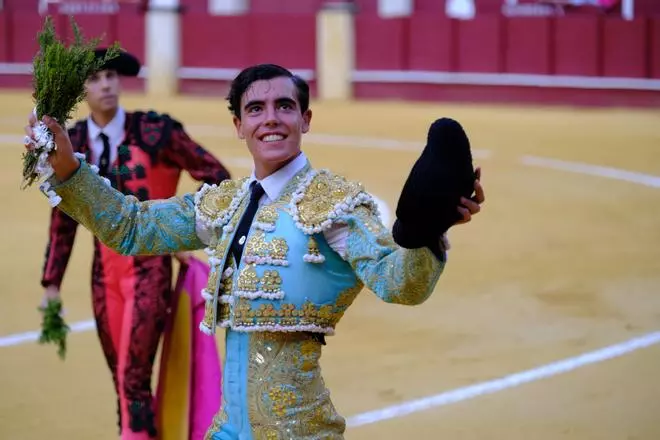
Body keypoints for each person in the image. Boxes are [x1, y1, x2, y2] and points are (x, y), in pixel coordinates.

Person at [25, 63, 485, 439]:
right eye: (256, 108)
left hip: (300, 431)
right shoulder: (224, 203)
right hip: (227, 429)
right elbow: (131, 228)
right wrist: (68, 168)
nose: (271, 118)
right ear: (239, 126)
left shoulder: (333, 206)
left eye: (285, 106)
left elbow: (398, 281)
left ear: (305, 120)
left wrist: (428, 229)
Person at [38, 48, 231, 439]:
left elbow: (217, 178)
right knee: (125, 384)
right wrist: (52, 282)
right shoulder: (71, 142)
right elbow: (64, 216)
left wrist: (182, 229)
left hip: (151, 268)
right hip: (104, 275)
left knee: (132, 377)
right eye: (94, 78)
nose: (106, 84)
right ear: (81, 90)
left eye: (110, 76)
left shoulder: (156, 131)